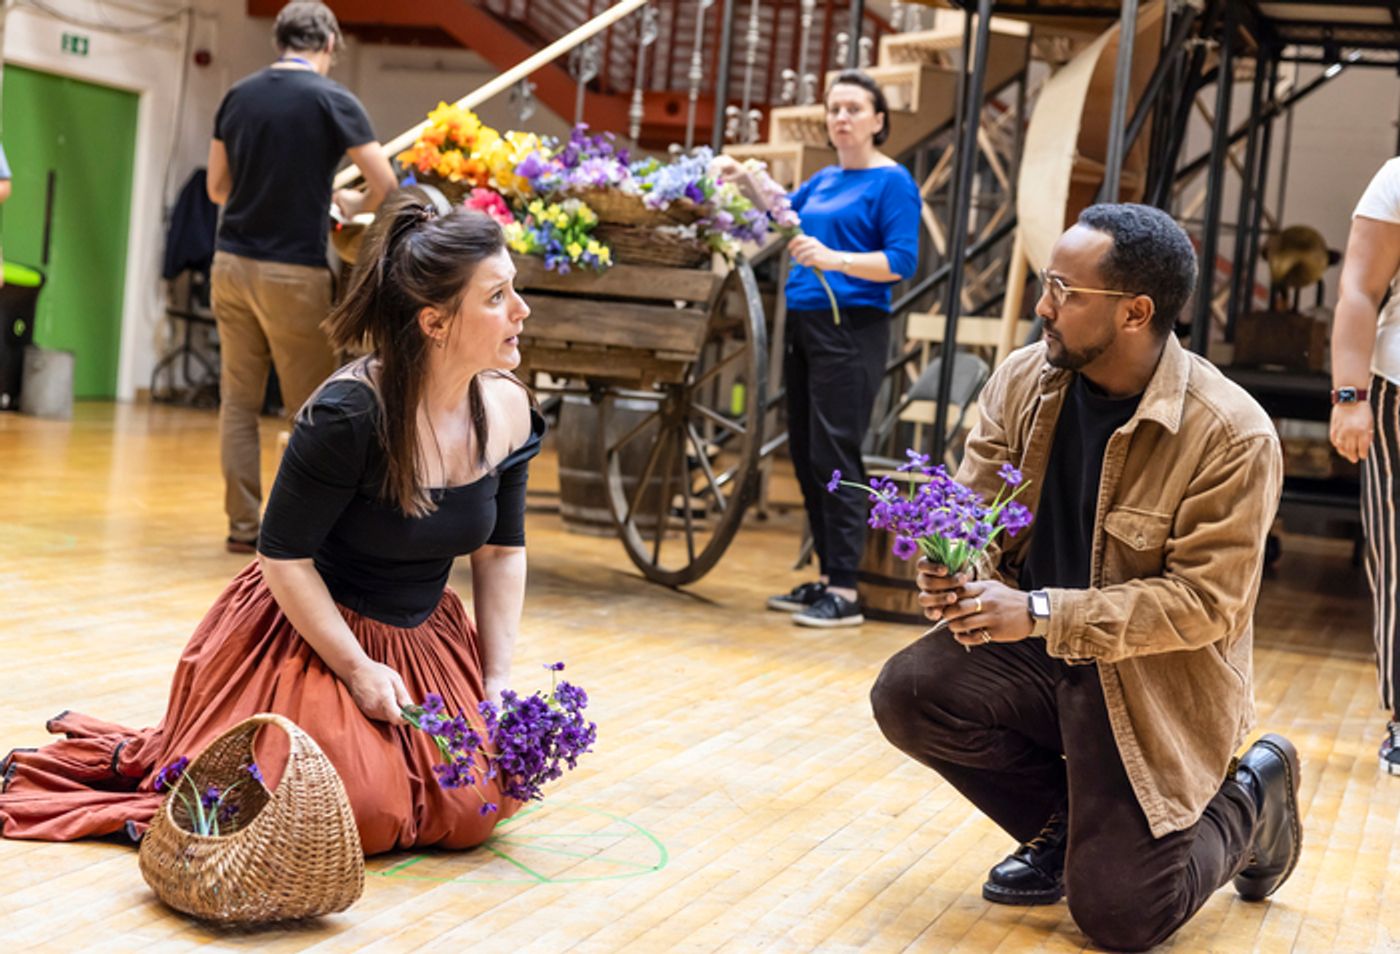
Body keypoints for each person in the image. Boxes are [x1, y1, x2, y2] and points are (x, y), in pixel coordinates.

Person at [0, 189, 542, 855]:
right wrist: (357, 667)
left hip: (424, 638)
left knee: (475, 804)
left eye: (514, 289)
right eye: (496, 298)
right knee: (355, 812)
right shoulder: (348, 415)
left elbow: (499, 552)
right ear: (434, 322)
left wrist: (495, 679)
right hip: (312, 631)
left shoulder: (510, 410)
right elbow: (282, 558)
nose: (521, 311)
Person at [869, 204, 1302, 951]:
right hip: (1041, 653)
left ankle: (1252, 796)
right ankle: (1066, 827)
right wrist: (955, 571)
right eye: (1047, 284)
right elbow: (969, 512)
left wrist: (1036, 610)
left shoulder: (1232, 434)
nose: (1043, 306)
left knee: (1123, 917)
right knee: (908, 692)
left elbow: (1204, 606)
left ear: (1135, 312)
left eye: (1065, 291)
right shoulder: (1023, 380)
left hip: (1153, 686)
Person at [715, 70, 921, 629]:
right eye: (834, 108)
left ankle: (847, 591)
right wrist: (747, 180)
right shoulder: (825, 178)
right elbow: (781, 221)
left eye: (855, 108)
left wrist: (836, 260)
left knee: (837, 453)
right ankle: (829, 576)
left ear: (879, 121)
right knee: (806, 453)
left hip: (850, 327)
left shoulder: (892, 182)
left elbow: (902, 261)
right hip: (806, 324)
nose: (842, 117)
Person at [207, 0, 397, 553]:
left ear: (279, 42)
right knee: (312, 408)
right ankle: (300, 532)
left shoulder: (238, 96)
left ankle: (243, 528)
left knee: (238, 404)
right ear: (330, 45)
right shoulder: (334, 99)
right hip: (293, 269)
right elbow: (387, 185)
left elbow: (217, 189)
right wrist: (347, 196)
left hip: (231, 263)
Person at [1329, 156, 1400, 777]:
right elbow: (1360, 288)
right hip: (1397, 393)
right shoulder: (1399, 177)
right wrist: (1350, 396)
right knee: (1398, 558)